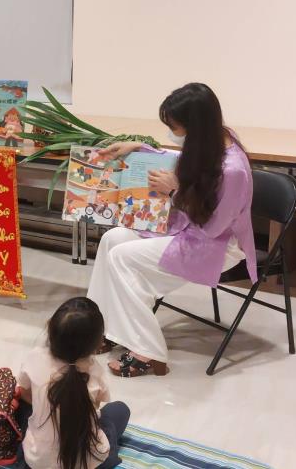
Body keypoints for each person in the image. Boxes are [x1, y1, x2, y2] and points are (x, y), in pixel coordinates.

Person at [87, 82, 257, 377]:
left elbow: (215, 227)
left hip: (216, 245)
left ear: (194, 125)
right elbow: (181, 162)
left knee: (123, 259)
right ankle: (106, 328)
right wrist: (138, 148)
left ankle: (147, 351)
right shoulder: (210, 142)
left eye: (175, 127)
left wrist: (174, 193)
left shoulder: (233, 170)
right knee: (113, 239)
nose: (173, 132)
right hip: (188, 228)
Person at [16, 297, 130, 469]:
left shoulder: (34, 357)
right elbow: (94, 409)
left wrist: (46, 403)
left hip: (37, 462)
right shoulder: (95, 372)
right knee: (120, 410)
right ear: (98, 343)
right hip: (89, 462)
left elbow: (23, 392)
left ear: (50, 329)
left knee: (25, 410)